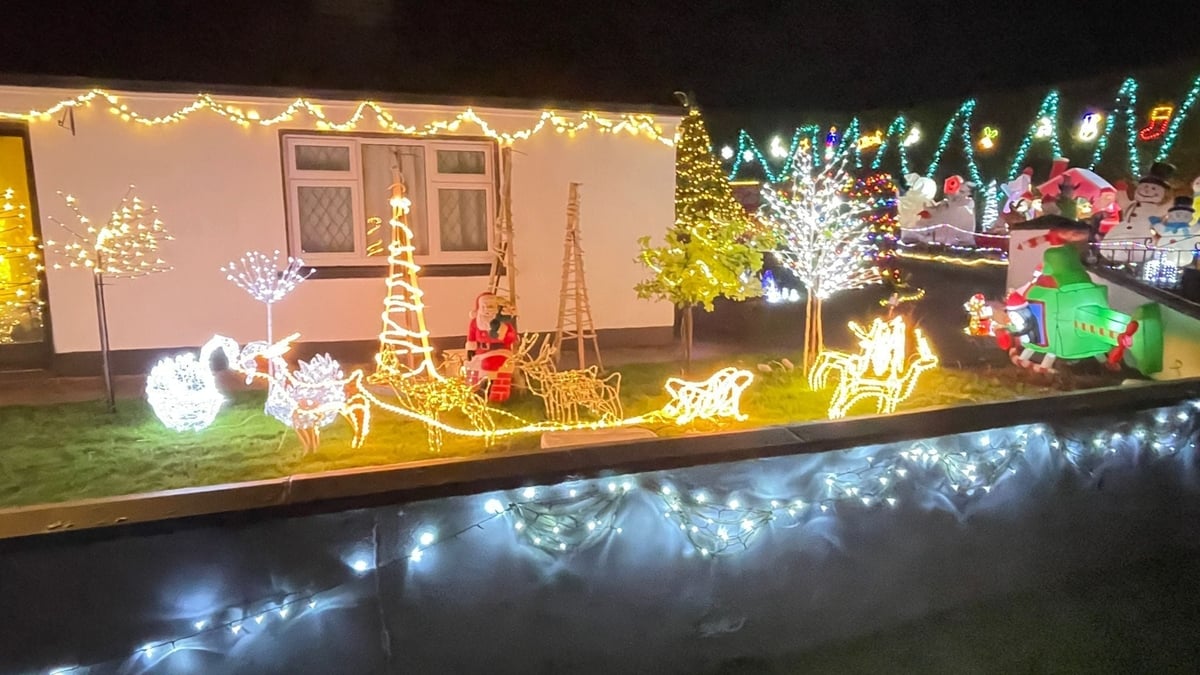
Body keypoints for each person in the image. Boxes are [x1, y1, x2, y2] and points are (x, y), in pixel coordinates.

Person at [465, 292, 518, 402]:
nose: (486, 309)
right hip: (479, 353)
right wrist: (471, 350)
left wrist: (502, 330)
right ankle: (474, 396)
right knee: (472, 370)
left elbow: (511, 337)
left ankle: (493, 396)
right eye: (483, 306)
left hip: (499, 352)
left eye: (490, 306)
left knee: (489, 366)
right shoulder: (475, 323)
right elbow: (471, 337)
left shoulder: (503, 324)